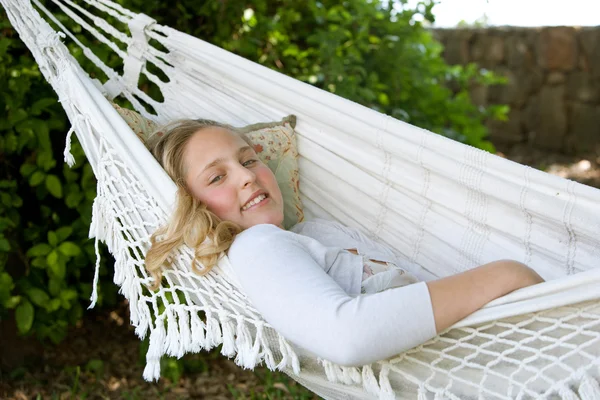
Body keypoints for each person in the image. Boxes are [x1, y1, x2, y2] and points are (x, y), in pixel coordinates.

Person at [144, 119, 545, 366]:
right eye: (217, 177)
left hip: (494, 347)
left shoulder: (314, 233)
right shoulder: (256, 245)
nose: (246, 175)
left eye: (249, 160)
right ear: (191, 206)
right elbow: (345, 337)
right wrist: (505, 275)